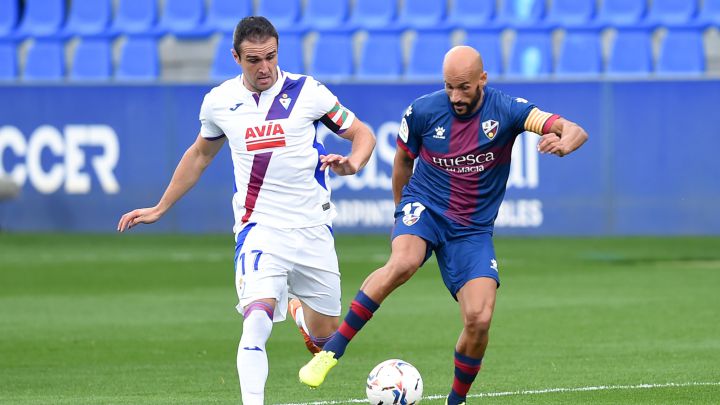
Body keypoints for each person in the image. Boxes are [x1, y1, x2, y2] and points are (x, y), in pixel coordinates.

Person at [298, 45, 588, 404]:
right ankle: (330, 353)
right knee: (402, 262)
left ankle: (456, 401)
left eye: (464, 87)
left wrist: (566, 141)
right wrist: (402, 215)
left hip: (472, 229)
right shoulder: (422, 111)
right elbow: (403, 160)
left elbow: (569, 127)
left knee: (479, 319)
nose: (455, 96)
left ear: (483, 79)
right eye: (449, 86)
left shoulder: (508, 110)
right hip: (425, 207)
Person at [117, 16, 376, 405]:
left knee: (325, 340)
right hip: (259, 229)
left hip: (312, 228)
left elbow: (362, 133)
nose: (264, 68)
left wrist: (354, 162)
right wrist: (160, 206)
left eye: (270, 57)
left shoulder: (309, 93)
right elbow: (199, 156)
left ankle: (300, 313)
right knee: (256, 322)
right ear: (236, 57)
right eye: (254, 60)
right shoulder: (220, 102)